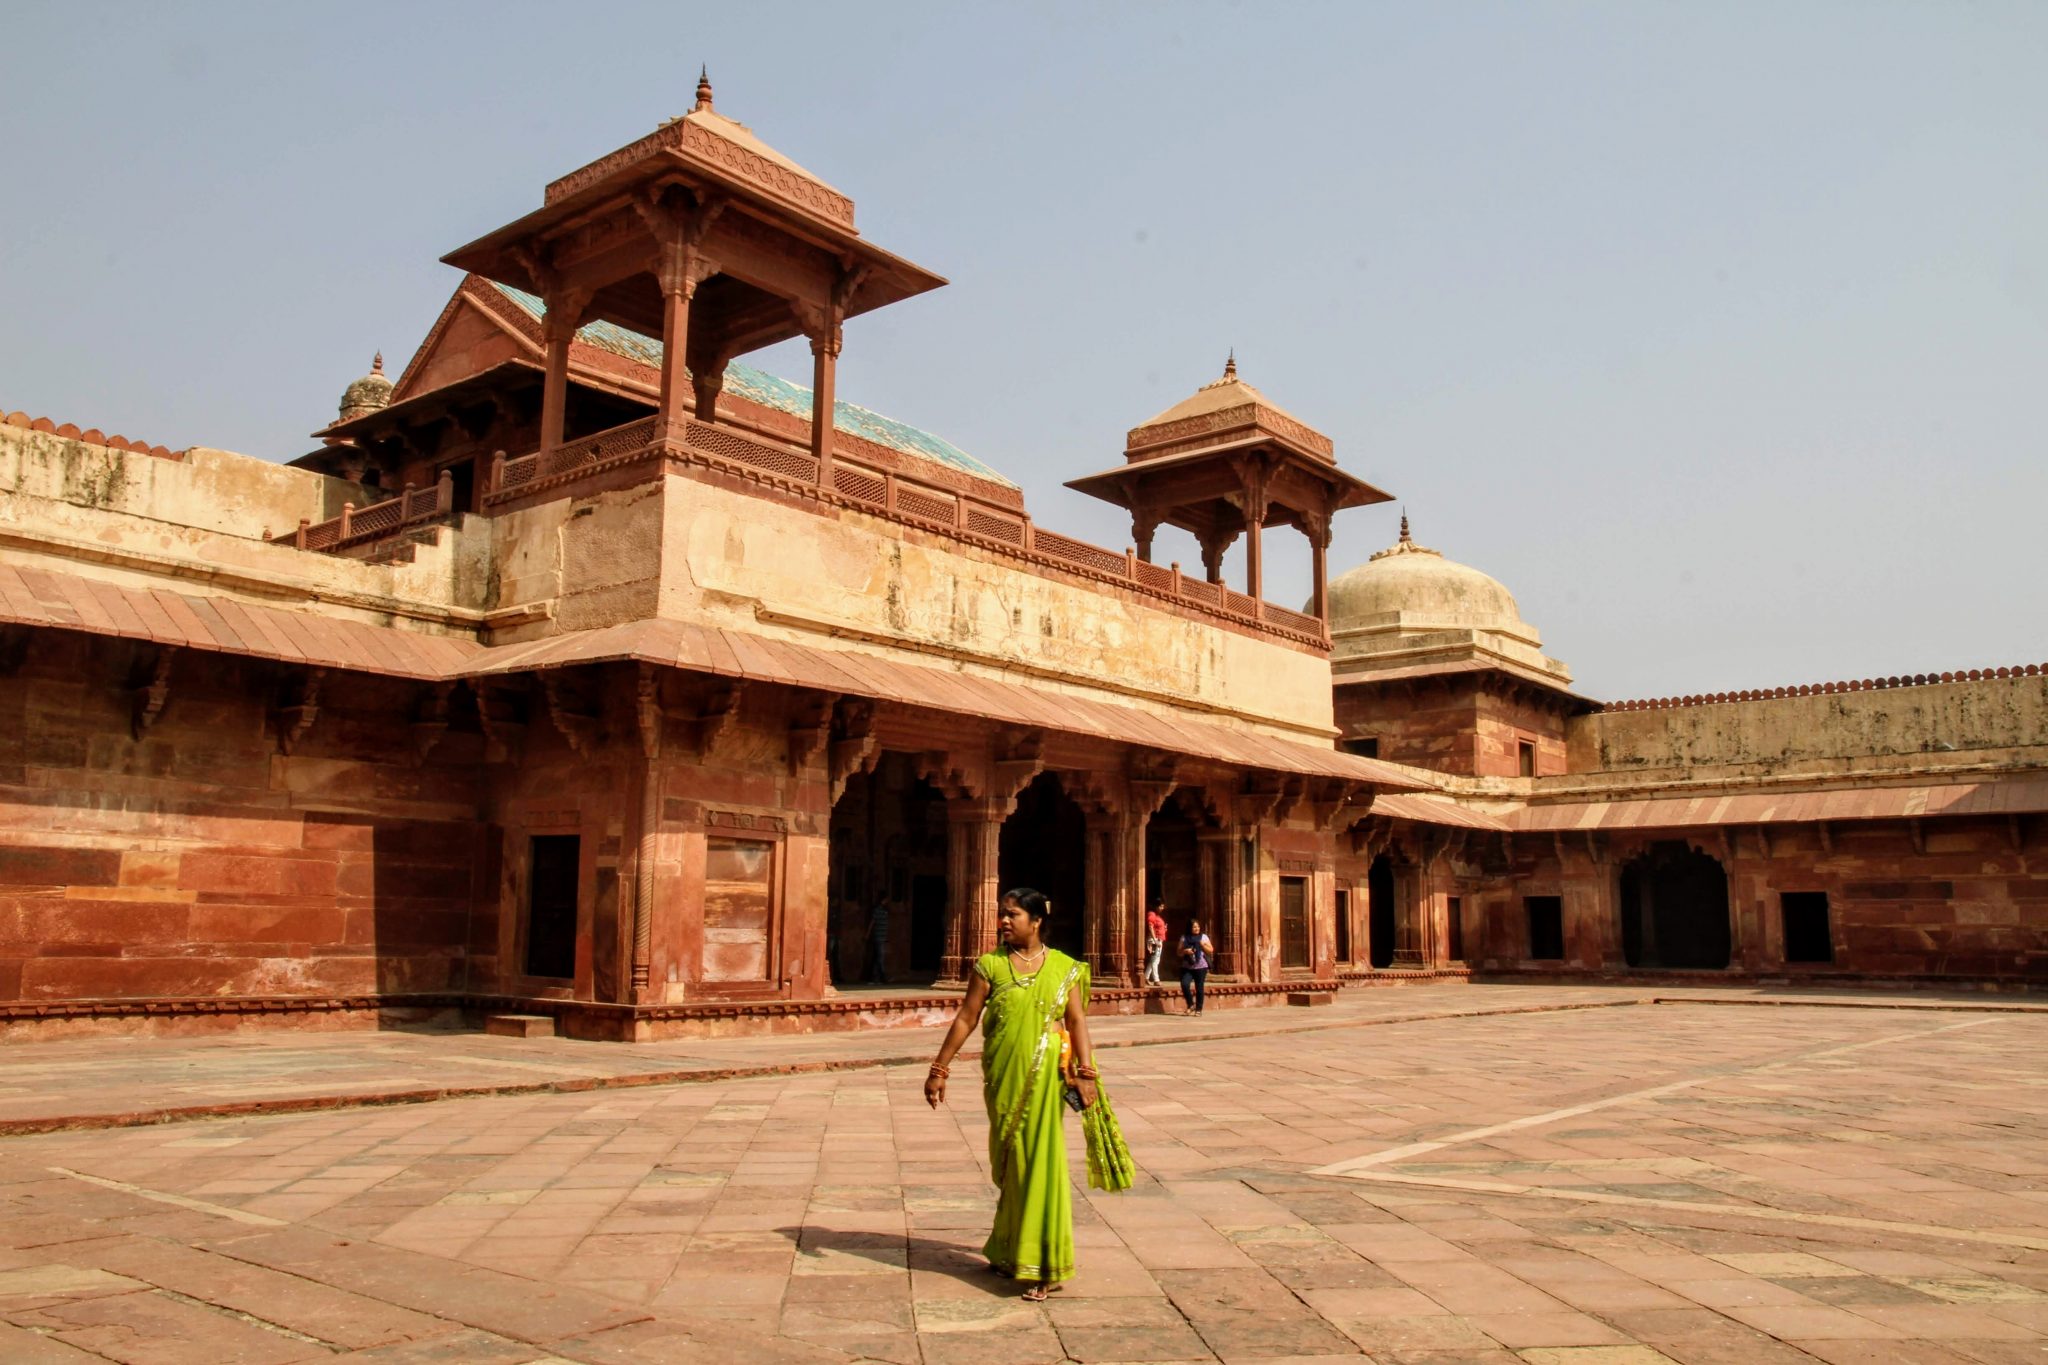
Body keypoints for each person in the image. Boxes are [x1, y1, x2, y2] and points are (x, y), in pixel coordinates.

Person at [925, 888, 1128, 1300]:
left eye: (1012, 915)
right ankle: (1008, 1251)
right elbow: (967, 1017)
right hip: (1002, 1076)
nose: (1003, 920)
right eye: (1001, 914)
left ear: (1036, 922)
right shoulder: (990, 966)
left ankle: (1047, 1265)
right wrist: (939, 1067)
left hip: (1045, 1078)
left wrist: (1086, 1072)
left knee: (1041, 1165)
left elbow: (1076, 1022)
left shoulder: (1065, 968)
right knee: (1013, 1166)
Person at [1177, 918, 1213, 1016]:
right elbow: (1179, 952)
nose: (1196, 928)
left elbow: (1210, 950)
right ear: (1190, 928)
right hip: (1187, 966)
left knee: (1199, 988)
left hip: (1201, 966)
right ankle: (1190, 1004)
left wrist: (1202, 945)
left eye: (1197, 926)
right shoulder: (1184, 938)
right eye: (1194, 927)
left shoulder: (1203, 937)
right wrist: (1185, 951)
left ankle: (1198, 1009)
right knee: (1184, 984)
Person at [863, 897, 893, 983]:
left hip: (882, 937)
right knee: (880, 958)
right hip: (878, 937)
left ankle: (872, 978)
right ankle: (883, 977)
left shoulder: (885, 910)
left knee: (876, 958)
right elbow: (872, 923)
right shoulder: (877, 910)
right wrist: (867, 934)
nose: (887, 901)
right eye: (886, 900)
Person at [1143, 901, 1168, 986]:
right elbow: (1150, 927)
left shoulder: (1157, 916)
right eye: (1161, 906)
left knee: (1153, 959)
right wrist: (1155, 940)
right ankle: (1156, 979)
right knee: (1155, 960)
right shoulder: (1152, 914)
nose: (1162, 908)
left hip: (1158, 939)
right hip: (1155, 940)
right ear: (1156, 906)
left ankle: (1146, 977)